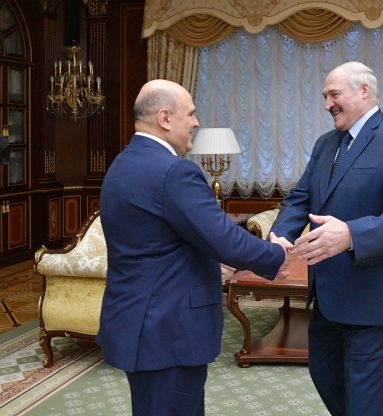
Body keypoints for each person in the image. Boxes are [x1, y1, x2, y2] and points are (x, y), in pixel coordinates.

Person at [96, 79, 290, 416]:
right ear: (165, 118)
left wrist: (206, 256)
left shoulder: (122, 164)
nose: (197, 122)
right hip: (167, 331)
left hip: (139, 323)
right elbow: (224, 239)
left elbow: (158, 239)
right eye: (191, 113)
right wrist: (278, 255)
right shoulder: (174, 171)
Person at [269, 62, 383, 416]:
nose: (327, 104)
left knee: (363, 401)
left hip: (376, 296)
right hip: (328, 295)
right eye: (324, 96)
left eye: (334, 95)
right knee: (326, 377)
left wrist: (351, 234)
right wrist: (279, 236)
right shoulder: (326, 143)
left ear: (364, 92)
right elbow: (300, 197)